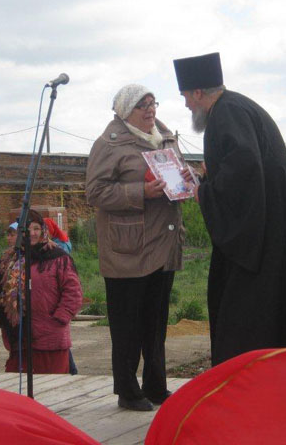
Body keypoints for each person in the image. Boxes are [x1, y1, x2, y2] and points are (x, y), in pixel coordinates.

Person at [174, 52, 286, 366]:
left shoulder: (226, 113)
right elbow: (244, 166)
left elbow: (244, 170)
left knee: (246, 311)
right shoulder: (238, 106)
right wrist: (209, 179)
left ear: (198, 92)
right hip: (280, 216)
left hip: (265, 230)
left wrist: (204, 192)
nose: (187, 105)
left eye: (186, 97)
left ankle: (250, 380)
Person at [86, 83, 184, 411]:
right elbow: (95, 192)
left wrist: (186, 180)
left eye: (153, 103)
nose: (151, 110)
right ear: (126, 111)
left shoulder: (166, 138)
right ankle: (127, 391)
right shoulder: (109, 144)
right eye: (143, 105)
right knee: (127, 326)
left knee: (155, 324)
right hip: (127, 250)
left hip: (163, 246)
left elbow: (176, 176)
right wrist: (141, 192)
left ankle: (155, 386)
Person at [0, 210, 82, 373]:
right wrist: (1, 319)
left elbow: (73, 293)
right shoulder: (9, 260)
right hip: (19, 339)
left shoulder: (58, 258)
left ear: (43, 230)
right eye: (27, 229)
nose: (32, 233)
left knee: (52, 384)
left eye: (36, 228)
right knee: (17, 385)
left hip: (50, 337)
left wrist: (59, 319)